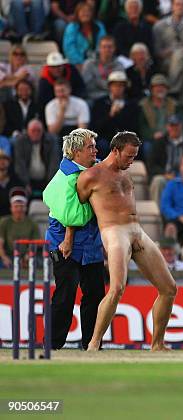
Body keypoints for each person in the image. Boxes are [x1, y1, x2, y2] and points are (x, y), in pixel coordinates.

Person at [76, 131, 178, 351]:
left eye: (134, 157)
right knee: (116, 289)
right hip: (114, 232)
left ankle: (157, 344)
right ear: (115, 150)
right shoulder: (90, 176)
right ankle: (94, 343)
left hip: (136, 231)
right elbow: (74, 210)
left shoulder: (125, 173)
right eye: (129, 156)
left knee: (169, 288)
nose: (131, 161)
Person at [42, 128, 105, 350]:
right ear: (76, 152)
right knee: (65, 295)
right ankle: (52, 345)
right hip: (64, 244)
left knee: (96, 293)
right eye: (90, 147)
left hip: (90, 245)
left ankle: (91, 344)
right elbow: (74, 216)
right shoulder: (68, 176)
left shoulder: (86, 171)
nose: (95, 150)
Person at [147, 115, 183, 205]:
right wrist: (165, 174)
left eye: (176, 125)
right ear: (167, 127)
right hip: (165, 176)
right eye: (171, 125)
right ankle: (159, 216)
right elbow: (151, 165)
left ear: (181, 126)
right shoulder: (159, 143)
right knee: (158, 181)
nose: (174, 128)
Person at [152, 0, 183, 99]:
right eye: (177, 4)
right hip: (165, 59)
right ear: (172, 6)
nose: (180, 7)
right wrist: (165, 53)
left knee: (179, 57)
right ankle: (182, 102)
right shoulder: (159, 25)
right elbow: (156, 49)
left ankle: (172, 91)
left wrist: (175, 52)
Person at [13, 119, 59, 198]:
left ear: (43, 131)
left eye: (38, 131)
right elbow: (20, 165)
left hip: (46, 180)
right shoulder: (20, 142)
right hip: (27, 180)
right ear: (27, 131)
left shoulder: (51, 141)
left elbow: (54, 164)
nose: (36, 133)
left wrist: (50, 184)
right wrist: (26, 183)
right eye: (33, 131)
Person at [0, 190, 40, 268]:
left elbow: (36, 243)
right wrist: (4, 258)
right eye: (16, 206)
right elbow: (0, 243)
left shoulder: (32, 223)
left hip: (26, 256)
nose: (19, 209)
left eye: (21, 206)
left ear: (26, 208)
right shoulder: (4, 222)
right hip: (9, 255)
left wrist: (27, 256)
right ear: (11, 208)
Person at [81, 35, 125, 101]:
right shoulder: (89, 64)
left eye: (110, 47)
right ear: (99, 48)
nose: (107, 49)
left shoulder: (119, 65)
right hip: (93, 97)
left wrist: (97, 81)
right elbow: (88, 85)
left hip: (113, 97)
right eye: (104, 47)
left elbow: (119, 85)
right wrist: (109, 84)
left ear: (114, 48)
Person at [62, 2, 107, 66]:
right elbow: (69, 48)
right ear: (77, 14)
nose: (86, 14)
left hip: (96, 61)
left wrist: (97, 60)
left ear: (92, 13)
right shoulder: (72, 27)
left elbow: (102, 44)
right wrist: (80, 62)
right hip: (77, 63)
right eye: (83, 11)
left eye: (88, 11)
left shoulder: (99, 26)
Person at [0, 151, 25, 217]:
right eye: (0, 159)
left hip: (12, 218)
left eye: (4, 159)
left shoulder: (16, 181)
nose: (2, 161)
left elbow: (20, 203)